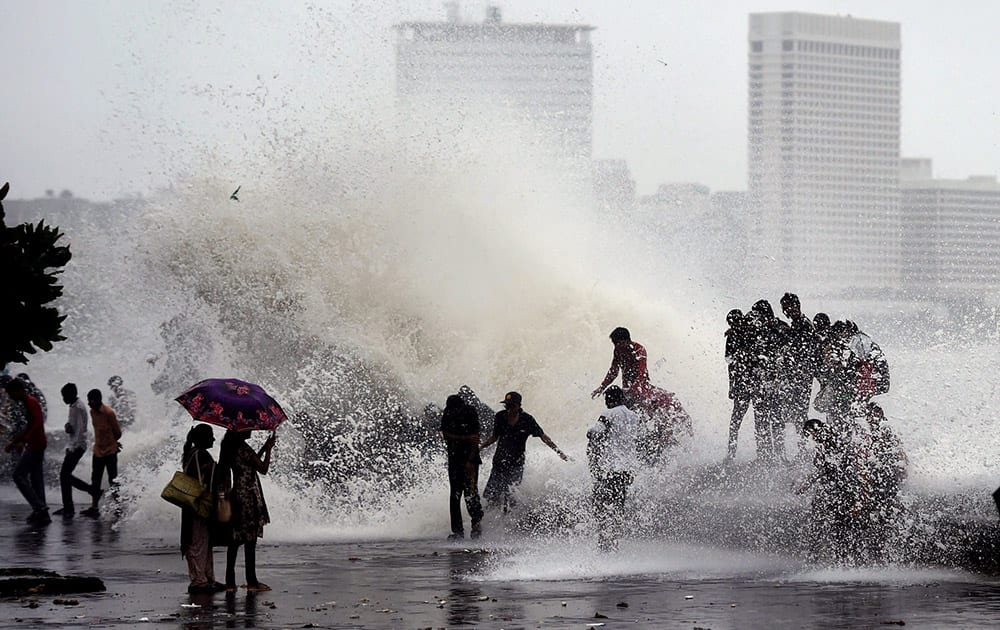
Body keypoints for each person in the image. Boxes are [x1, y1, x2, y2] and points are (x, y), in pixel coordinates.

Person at [481, 392, 568, 513]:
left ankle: (507, 524)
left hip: (517, 463)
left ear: (518, 405)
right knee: (492, 496)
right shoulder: (500, 417)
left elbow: (543, 437)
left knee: (511, 496)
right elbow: (494, 437)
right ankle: (489, 521)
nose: (509, 409)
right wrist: (480, 448)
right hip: (499, 462)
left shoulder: (527, 420)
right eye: (507, 406)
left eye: (511, 406)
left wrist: (559, 452)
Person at [219, 429, 276, 592]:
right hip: (249, 498)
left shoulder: (230, 448)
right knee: (250, 540)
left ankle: (230, 582)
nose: (251, 430)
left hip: (236, 495)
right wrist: (270, 450)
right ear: (240, 432)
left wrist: (264, 447)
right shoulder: (243, 448)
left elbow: (249, 465)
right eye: (248, 428)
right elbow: (263, 468)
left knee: (236, 539)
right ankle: (252, 581)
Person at [587, 386, 643, 551]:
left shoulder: (607, 414)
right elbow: (640, 439)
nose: (606, 402)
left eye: (606, 400)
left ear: (610, 399)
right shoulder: (634, 416)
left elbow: (594, 432)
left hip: (611, 469)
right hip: (628, 469)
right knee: (618, 504)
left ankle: (603, 541)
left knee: (601, 503)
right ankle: (615, 541)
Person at [180, 424, 225, 594]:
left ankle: (205, 579)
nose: (213, 439)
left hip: (192, 506)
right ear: (203, 438)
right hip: (198, 506)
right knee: (198, 542)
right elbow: (210, 479)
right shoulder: (200, 455)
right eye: (211, 436)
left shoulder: (192, 454)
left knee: (202, 542)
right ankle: (199, 582)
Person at [3, 378, 50, 524]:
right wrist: (14, 442)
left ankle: (39, 507)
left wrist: (24, 440)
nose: (10, 397)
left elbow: (37, 423)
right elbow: (29, 426)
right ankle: (42, 513)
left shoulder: (31, 401)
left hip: (36, 445)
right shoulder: (27, 402)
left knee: (18, 475)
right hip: (35, 444)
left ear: (18, 391)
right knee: (36, 479)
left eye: (11, 393)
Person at [748, 300, 790, 462]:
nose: (755, 318)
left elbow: (787, 343)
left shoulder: (779, 327)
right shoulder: (754, 328)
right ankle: (763, 454)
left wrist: (772, 327)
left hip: (776, 381)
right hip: (759, 381)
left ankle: (780, 453)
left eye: (758, 314)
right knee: (761, 420)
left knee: (776, 419)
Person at [440, 394, 484, 540]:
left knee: (470, 493)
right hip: (454, 461)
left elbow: (475, 438)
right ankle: (458, 531)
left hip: (470, 460)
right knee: (455, 496)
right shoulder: (448, 413)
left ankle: (476, 525)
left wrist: (470, 461)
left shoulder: (470, 413)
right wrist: (464, 438)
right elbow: (446, 435)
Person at [53, 383, 99, 518]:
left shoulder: (78, 407)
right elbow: (73, 427)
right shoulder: (73, 406)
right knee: (65, 476)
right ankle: (70, 505)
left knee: (64, 476)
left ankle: (89, 493)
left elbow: (81, 431)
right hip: (75, 445)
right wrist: (67, 426)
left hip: (77, 446)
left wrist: (72, 448)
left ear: (71, 395)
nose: (63, 399)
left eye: (64, 396)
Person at [778, 293, 818, 446]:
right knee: (797, 413)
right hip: (799, 376)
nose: (785, 312)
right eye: (783, 309)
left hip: (801, 377)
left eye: (786, 308)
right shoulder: (799, 324)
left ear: (795, 306)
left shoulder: (803, 325)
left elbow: (805, 353)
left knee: (798, 413)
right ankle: (802, 447)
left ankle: (803, 448)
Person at [83, 388, 122, 517]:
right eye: (88, 401)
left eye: (91, 400)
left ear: (98, 400)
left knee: (113, 479)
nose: (89, 403)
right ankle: (94, 507)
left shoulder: (109, 413)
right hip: (98, 451)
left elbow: (118, 432)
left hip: (110, 451)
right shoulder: (92, 412)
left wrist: (113, 442)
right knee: (95, 479)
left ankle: (117, 506)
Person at [591, 327, 651, 406]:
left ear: (626, 341)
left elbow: (642, 373)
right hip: (627, 386)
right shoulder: (618, 351)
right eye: (614, 344)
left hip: (641, 387)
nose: (616, 346)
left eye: (617, 343)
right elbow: (613, 371)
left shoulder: (639, 349)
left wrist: (633, 389)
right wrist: (602, 387)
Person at [724, 309, 755, 461]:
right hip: (743, 383)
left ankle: (763, 455)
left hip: (754, 382)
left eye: (735, 323)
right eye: (732, 324)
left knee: (756, 420)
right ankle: (731, 453)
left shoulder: (753, 332)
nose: (734, 326)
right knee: (735, 421)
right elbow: (730, 364)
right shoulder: (732, 337)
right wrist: (731, 386)